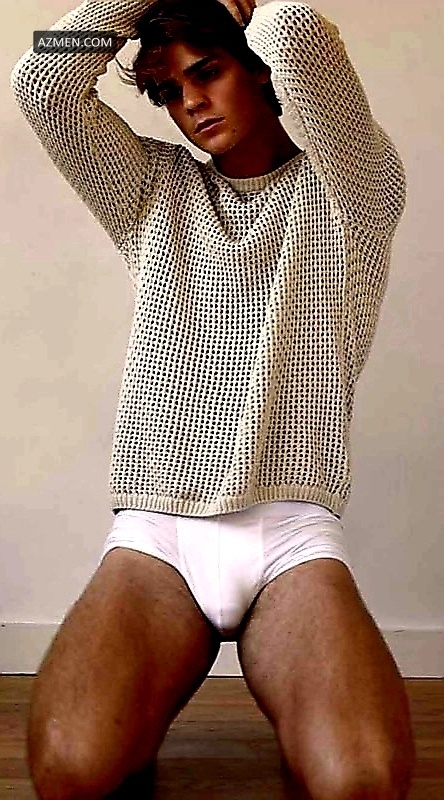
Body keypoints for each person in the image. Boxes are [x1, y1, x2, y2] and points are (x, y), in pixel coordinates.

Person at [11, 0, 416, 797]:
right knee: (70, 771)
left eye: (208, 72)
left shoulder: (355, 192)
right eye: (168, 90)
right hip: (157, 535)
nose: (190, 103)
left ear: (260, 71)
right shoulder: (152, 192)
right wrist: (138, 1)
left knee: (360, 783)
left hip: (292, 536)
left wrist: (237, 4)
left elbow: (295, 34)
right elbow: (40, 76)